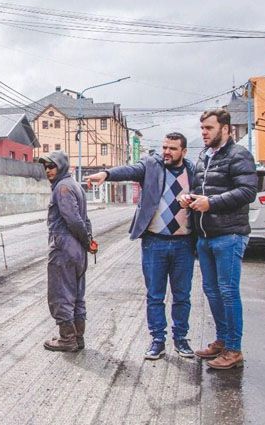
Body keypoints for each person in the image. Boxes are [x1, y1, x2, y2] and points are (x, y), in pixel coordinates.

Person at [85, 133, 196, 360]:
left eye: (173, 148)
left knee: (182, 295)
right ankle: (157, 340)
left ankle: (181, 339)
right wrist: (106, 174)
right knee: (155, 295)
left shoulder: (193, 171)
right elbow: (129, 170)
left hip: (184, 243)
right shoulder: (151, 165)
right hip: (154, 242)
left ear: (184, 152)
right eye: (165, 147)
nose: (167, 152)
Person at [178, 109, 257, 370]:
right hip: (206, 236)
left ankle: (234, 349)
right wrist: (189, 198)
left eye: (209, 128)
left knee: (228, 292)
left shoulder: (239, 155)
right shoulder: (203, 157)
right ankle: (223, 341)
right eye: (202, 129)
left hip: (229, 235)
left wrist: (210, 203)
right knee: (211, 291)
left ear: (226, 129)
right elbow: (202, 190)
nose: (204, 133)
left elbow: (247, 191)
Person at [36, 151, 96, 352]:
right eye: (46, 167)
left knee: (60, 294)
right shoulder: (75, 185)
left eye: (51, 166)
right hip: (78, 251)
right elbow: (84, 220)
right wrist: (88, 242)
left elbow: (74, 220)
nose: (48, 170)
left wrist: (86, 240)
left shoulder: (62, 188)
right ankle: (78, 337)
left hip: (64, 249)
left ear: (61, 166)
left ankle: (67, 339)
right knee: (77, 294)